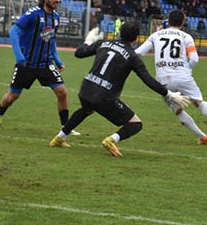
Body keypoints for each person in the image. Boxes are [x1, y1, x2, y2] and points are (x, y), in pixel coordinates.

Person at [49, 22, 191, 155]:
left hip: (86, 90)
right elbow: (147, 79)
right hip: (105, 97)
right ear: (136, 38)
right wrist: (169, 94)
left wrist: (89, 40)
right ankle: (111, 140)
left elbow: (79, 53)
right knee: (136, 124)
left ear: (120, 33)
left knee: (86, 109)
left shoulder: (103, 43)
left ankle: (59, 138)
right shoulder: (132, 56)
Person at [135, 10, 207, 144]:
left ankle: (203, 136)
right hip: (183, 77)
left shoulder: (155, 35)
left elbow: (138, 53)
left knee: (178, 110)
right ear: (182, 23)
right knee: (198, 102)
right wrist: (185, 69)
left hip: (163, 80)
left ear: (168, 21)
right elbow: (194, 59)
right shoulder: (186, 37)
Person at [0, 0, 71, 133]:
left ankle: (66, 127)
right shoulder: (32, 14)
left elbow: (51, 39)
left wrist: (58, 60)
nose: (57, 0)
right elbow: (13, 32)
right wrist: (19, 57)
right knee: (13, 95)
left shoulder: (56, 17)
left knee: (62, 92)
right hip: (27, 64)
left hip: (45, 64)